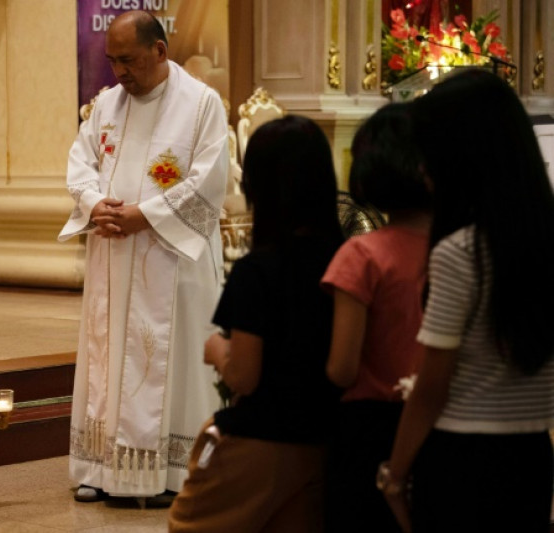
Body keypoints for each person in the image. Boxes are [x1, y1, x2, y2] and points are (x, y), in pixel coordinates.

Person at [58, 10, 229, 504]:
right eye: (112, 61)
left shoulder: (201, 105)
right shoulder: (107, 105)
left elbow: (209, 180)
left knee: (166, 362)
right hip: (114, 257)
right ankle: (100, 466)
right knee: (107, 360)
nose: (120, 73)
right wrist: (96, 204)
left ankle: (171, 474)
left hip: (173, 261)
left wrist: (146, 215)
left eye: (129, 60)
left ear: (160, 50)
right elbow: (80, 163)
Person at [379, 69, 554, 532]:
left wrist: (394, 473)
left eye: (430, 152)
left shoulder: (461, 252)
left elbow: (434, 385)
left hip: (462, 457)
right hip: (533, 451)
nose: (422, 168)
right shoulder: (545, 243)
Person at [169, 115, 344, 532]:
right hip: (326, 440)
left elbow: (245, 377)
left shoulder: (259, 270)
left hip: (262, 439)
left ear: (258, 187)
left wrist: (217, 352)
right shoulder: (348, 258)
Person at [320, 103, 430, 533]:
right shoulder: (461, 250)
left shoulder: (362, 255)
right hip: (441, 421)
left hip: (369, 429)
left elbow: (343, 368)